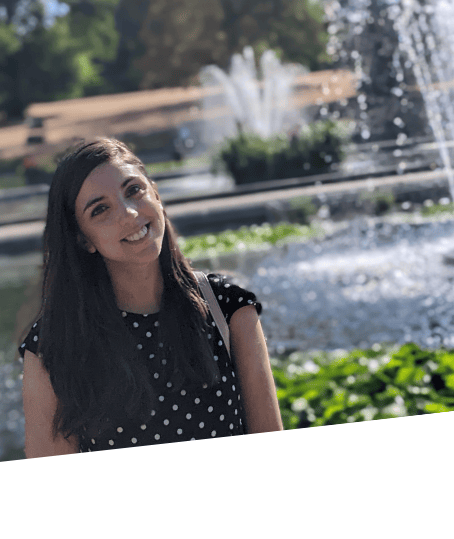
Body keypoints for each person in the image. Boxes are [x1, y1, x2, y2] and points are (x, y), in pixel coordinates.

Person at [19, 137, 283, 458]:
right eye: (101, 209)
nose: (129, 213)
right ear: (83, 239)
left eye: (133, 190)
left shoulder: (230, 309)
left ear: (155, 194)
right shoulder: (52, 345)